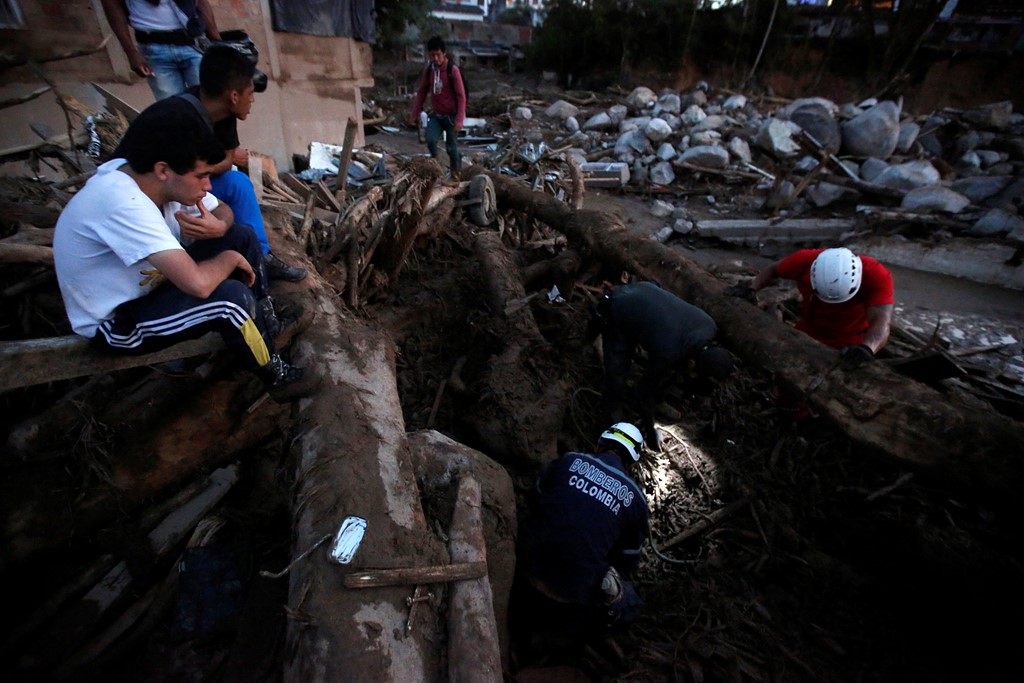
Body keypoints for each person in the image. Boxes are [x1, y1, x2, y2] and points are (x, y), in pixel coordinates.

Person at [54, 106, 318, 402]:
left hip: (154, 289)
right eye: (202, 177)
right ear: (163, 170)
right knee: (231, 300)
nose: (208, 186)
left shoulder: (157, 179)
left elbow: (223, 210)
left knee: (241, 236)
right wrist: (229, 259)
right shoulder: (121, 202)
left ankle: (267, 326)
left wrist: (220, 226)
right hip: (116, 323)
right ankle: (276, 377)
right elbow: (199, 284)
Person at [113, 43, 307, 282]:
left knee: (237, 182)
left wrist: (214, 205)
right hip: (152, 194)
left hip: (179, 183)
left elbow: (226, 160)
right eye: (251, 93)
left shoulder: (222, 112)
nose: (252, 100)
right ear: (234, 96)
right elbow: (171, 176)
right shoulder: (177, 118)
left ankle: (262, 257)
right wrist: (198, 177)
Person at [513, 423, 649, 665]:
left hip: (526, 567)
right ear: (631, 464)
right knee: (628, 599)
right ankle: (567, 641)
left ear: (599, 445)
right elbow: (628, 560)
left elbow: (535, 498)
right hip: (570, 593)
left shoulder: (569, 460)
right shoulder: (635, 499)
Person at [593, 281, 735, 449]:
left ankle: (658, 400)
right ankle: (612, 420)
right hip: (620, 307)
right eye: (697, 374)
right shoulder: (669, 352)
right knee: (617, 374)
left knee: (670, 368)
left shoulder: (708, 326)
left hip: (644, 289)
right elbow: (643, 394)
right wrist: (650, 431)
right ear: (692, 363)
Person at [730, 247, 894, 369]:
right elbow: (774, 269)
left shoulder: (876, 274)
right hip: (808, 329)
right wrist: (752, 288)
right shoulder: (804, 260)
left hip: (850, 339)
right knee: (790, 375)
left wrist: (868, 348)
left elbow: (882, 319)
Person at [100, 0, 221, 101]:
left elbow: (201, 2)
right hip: (153, 49)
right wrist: (131, 52)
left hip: (194, 44)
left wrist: (218, 44)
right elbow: (112, 4)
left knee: (212, 104)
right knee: (172, 112)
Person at [408, 36, 466, 179]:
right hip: (437, 115)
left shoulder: (452, 70)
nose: (435, 58)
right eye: (432, 55)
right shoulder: (430, 71)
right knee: (430, 139)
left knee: (451, 148)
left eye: (438, 54)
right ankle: (436, 167)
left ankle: (456, 173)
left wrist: (460, 120)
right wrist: (415, 113)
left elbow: (461, 96)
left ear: (444, 53)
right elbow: (422, 92)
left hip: (451, 116)